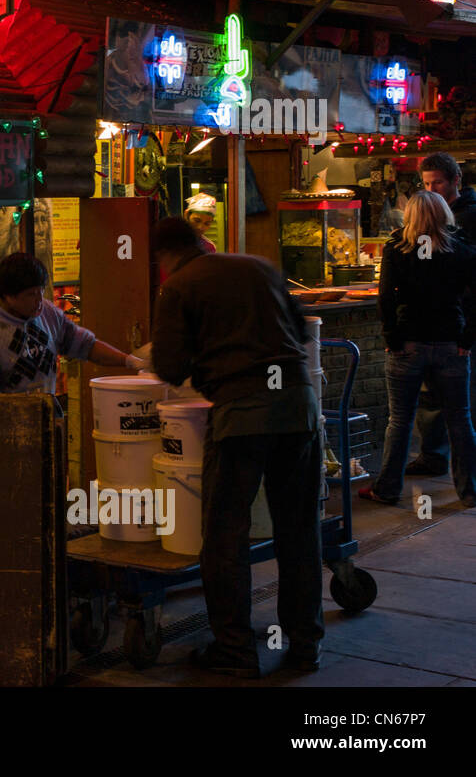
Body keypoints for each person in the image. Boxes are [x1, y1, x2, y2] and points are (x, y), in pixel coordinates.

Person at [151, 217, 323, 676]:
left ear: (164, 257)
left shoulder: (179, 287)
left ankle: (235, 650)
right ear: (201, 243)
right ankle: (306, 645)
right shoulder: (259, 266)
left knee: (225, 536)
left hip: (242, 416)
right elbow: (301, 333)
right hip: (299, 408)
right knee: (299, 531)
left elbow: (168, 366)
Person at [365, 190, 476, 508]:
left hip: (408, 344)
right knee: (460, 419)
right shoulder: (463, 249)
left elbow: (385, 297)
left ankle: (387, 489)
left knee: (399, 420)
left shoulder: (397, 249)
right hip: (450, 344)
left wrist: (392, 339)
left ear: (409, 216)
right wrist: (467, 340)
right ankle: (469, 490)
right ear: (445, 215)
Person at [0, 252, 141, 395]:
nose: (39, 300)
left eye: (41, 291)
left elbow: (85, 345)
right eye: (31, 294)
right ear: (8, 296)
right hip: (8, 427)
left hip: (48, 419)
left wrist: (129, 361)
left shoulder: (47, 312)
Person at [409, 152, 476, 476]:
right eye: (426, 183)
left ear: (455, 182)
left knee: (457, 404)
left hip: (460, 324)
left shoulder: (469, 218)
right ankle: (436, 458)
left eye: (437, 182)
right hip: (443, 325)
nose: (431, 189)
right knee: (433, 396)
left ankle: (455, 469)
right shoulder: (439, 218)